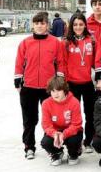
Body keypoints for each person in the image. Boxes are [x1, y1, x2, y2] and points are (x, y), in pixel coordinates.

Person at [14, 12, 65, 160]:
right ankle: (29, 146)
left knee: (51, 118)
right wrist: (18, 79)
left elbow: (60, 62)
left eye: (42, 23)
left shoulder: (56, 42)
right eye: (36, 23)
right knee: (30, 119)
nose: (39, 26)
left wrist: (59, 80)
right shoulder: (25, 43)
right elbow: (19, 62)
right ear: (33, 25)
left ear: (47, 25)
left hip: (48, 88)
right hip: (28, 86)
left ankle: (50, 145)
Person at [62, 12, 96, 153]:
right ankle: (75, 142)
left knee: (90, 114)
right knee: (74, 115)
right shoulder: (66, 42)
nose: (78, 27)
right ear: (71, 26)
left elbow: (96, 61)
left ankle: (88, 141)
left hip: (88, 83)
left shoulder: (91, 41)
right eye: (75, 24)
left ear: (85, 25)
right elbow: (62, 63)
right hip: (72, 84)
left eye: (81, 24)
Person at [41, 76, 83, 166]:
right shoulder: (46, 104)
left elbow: (77, 124)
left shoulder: (74, 102)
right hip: (55, 131)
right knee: (45, 142)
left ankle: (73, 153)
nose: (55, 94)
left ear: (64, 90)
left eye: (58, 90)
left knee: (74, 141)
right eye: (53, 91)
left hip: (71, 131)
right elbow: (46, 125)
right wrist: (55, 134)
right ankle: (57, 153)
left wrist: (64, 134)